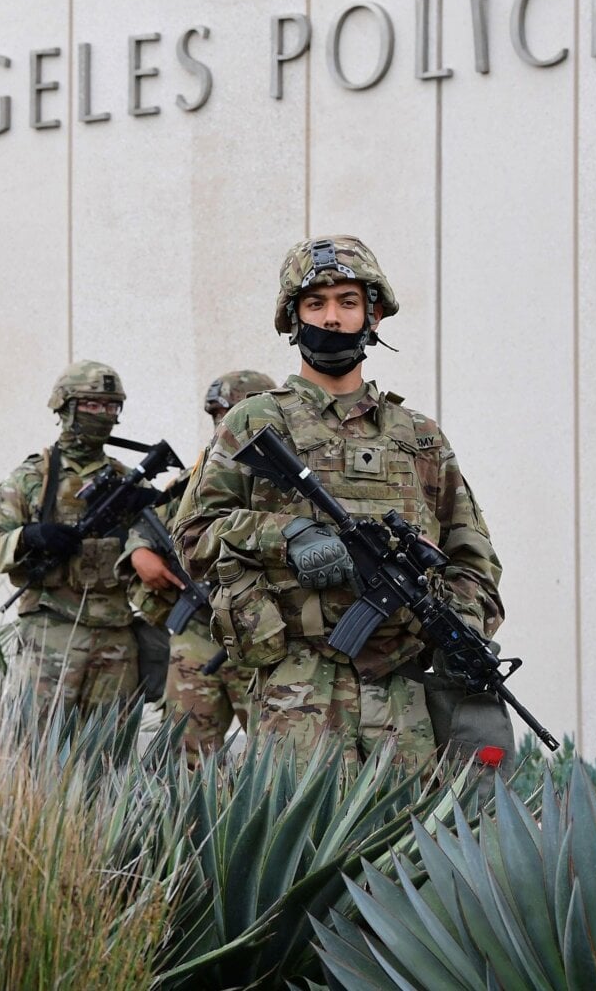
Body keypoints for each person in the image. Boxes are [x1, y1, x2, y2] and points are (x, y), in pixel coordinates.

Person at [174, 236, 502, 771]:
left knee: (402, 846)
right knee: (303, 844)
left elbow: (473, 555)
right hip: (296, 687)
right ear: (294, 317)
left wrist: (455, 625)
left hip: (404, 689)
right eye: (316, 304)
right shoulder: (255, 423)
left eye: (348, 303)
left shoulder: (419, 437)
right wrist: (287, 535)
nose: (332, 318)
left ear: (372, 315)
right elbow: (192, 537)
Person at [0, 360, 153, 719]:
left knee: (109, 754)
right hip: (51, 629)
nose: (102, 414)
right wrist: (29, 536)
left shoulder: (128, 483)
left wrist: (141, 533)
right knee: (36, 749)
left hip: (115, 633)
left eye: (110, 406)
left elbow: (164, 547)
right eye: (91, 405)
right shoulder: (31, 478)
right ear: (66, 408)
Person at [124, 369, 274, 762]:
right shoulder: (200, 477)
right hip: (197, 633)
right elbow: (152, 520)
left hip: (262, 635)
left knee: (278, 759)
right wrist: (140, 553)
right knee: (185, 754)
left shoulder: (286, 483)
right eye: (216, 415)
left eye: (231, 412)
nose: (221, 425)